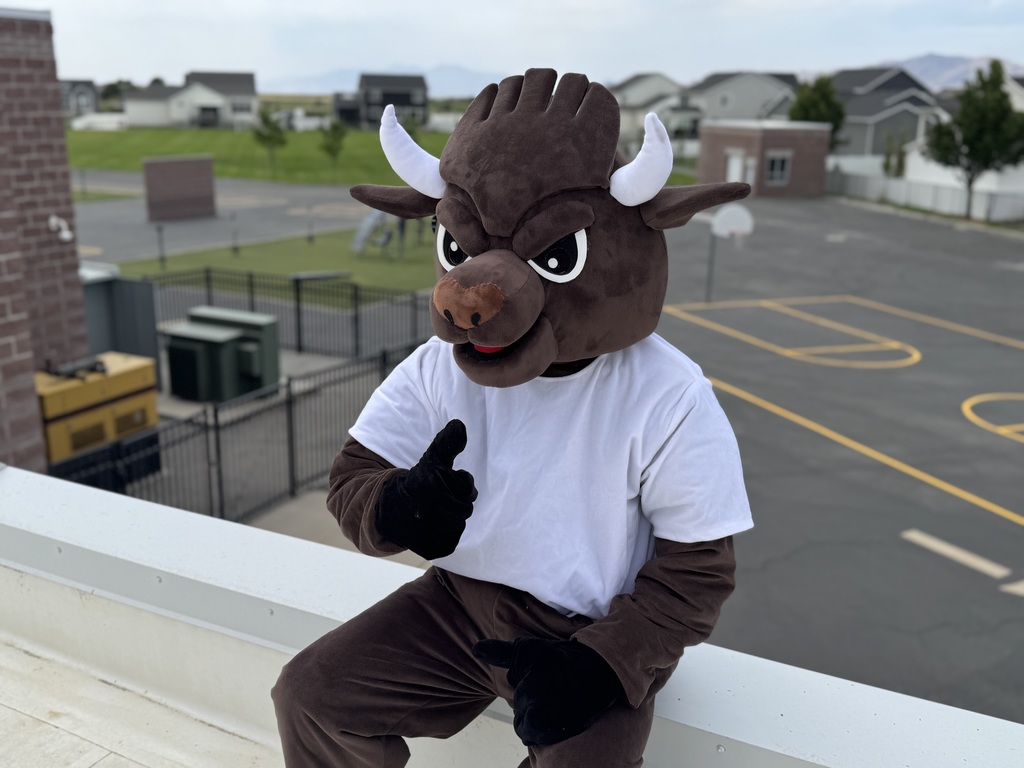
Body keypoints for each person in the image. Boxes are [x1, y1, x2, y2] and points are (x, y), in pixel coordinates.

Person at [272, 68, 753, 768]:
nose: (470, 295)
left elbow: (697, 573)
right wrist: (398, 507)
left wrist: (604, 663)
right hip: (457, 604)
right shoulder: (442, 364)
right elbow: (354, 477)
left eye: (556, 256)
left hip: (590, 632)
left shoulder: (666, 392)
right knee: (311, 695)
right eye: (458, 250)